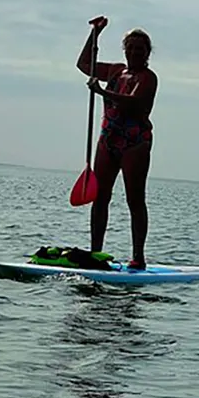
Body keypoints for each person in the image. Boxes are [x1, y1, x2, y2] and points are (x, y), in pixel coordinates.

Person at [75, 15, 158, 270]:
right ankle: (96, 252)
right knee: (100, 198)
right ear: (125, 50)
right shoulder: (114, 71)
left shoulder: (148, 77)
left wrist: (101, 92)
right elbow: (83, 64)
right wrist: (95, 34)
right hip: (108, 140)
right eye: (130, 48)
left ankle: (138, 256)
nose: (134, 52)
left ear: (147, 53)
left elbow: (133, 102)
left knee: (135, 200)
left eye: (139, 49)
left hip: (135, 143)